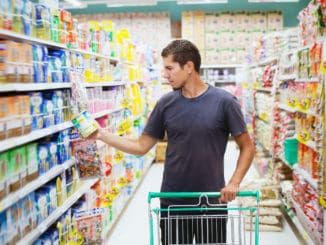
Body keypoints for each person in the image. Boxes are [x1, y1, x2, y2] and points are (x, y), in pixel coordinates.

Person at [87, 39, 255, 244]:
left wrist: (234, 182)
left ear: (189, 67)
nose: (165, 75)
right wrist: (102, 135)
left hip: (212, 201)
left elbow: (247, 147)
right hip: (173, 203)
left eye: (169, 68)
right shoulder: (165, 104)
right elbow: (141, 147)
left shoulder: (225, 102)